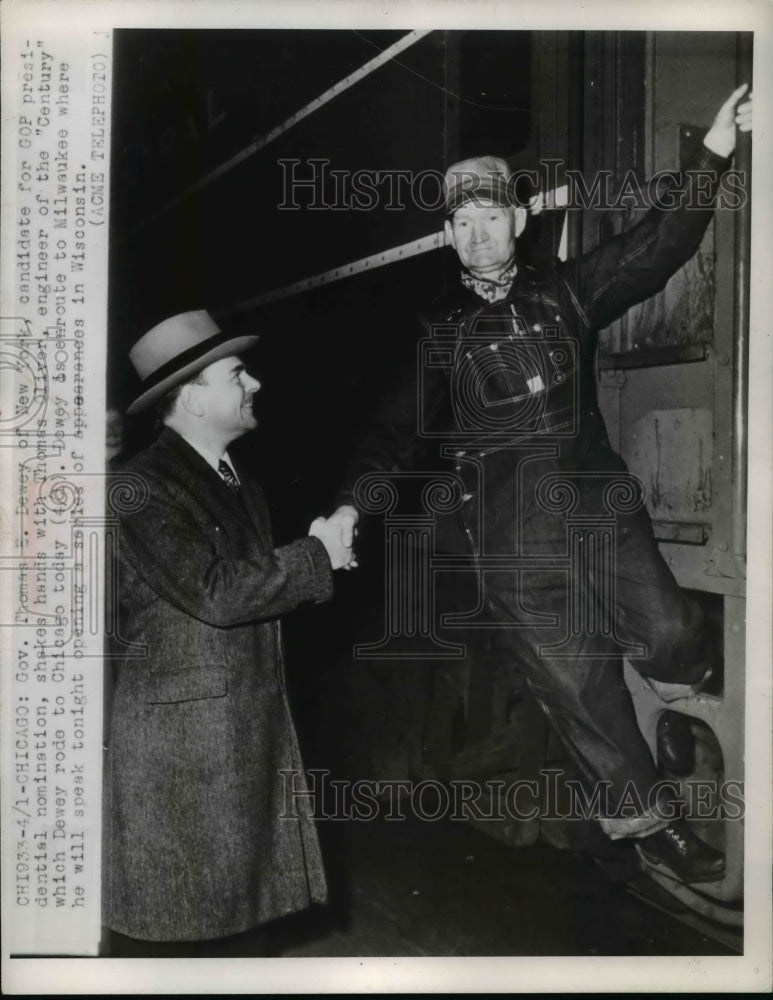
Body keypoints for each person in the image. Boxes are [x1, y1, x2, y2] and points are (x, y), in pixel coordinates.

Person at [328, 86, 753, 884]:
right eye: (462, 222)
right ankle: (650, 824)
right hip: (511, 538)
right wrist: (353, 505)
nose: (478, 232)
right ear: (447, 237)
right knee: (580, 684)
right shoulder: (440, 337)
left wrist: (716, 150)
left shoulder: (565, 293)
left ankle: (672, 696)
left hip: (596, 507)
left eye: (491, 216)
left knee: (668, 631)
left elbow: (655, 247)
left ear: (518, 223)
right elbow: (388, 436)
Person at [104, 310, 353, 955]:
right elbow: (215, 592)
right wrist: (314, 555)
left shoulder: (238, 482)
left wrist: (316, 560)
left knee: (233, 928)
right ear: (191, 396)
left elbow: (250, 590)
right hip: (184, 756)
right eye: (238, 373)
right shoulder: (140, 488)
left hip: (234, 734)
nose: (256, 384)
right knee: (183, 936)